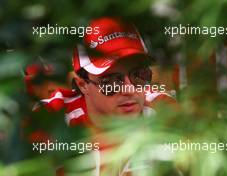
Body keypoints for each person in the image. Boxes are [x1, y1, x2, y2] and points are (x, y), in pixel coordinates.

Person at [37, 17, 177, 175]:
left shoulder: (165, 111)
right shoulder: (50, 121)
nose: (129, 89)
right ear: (83, 84)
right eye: (111, 81)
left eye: (139, 75)